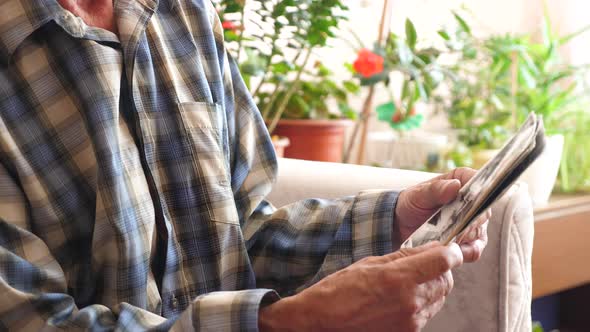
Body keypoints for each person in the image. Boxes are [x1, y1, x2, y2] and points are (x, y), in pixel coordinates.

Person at [0, 0, 489, 330]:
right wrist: (286, 322)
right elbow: (39, 321)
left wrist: (397, 217)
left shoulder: (185, 14)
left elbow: (241, 233)